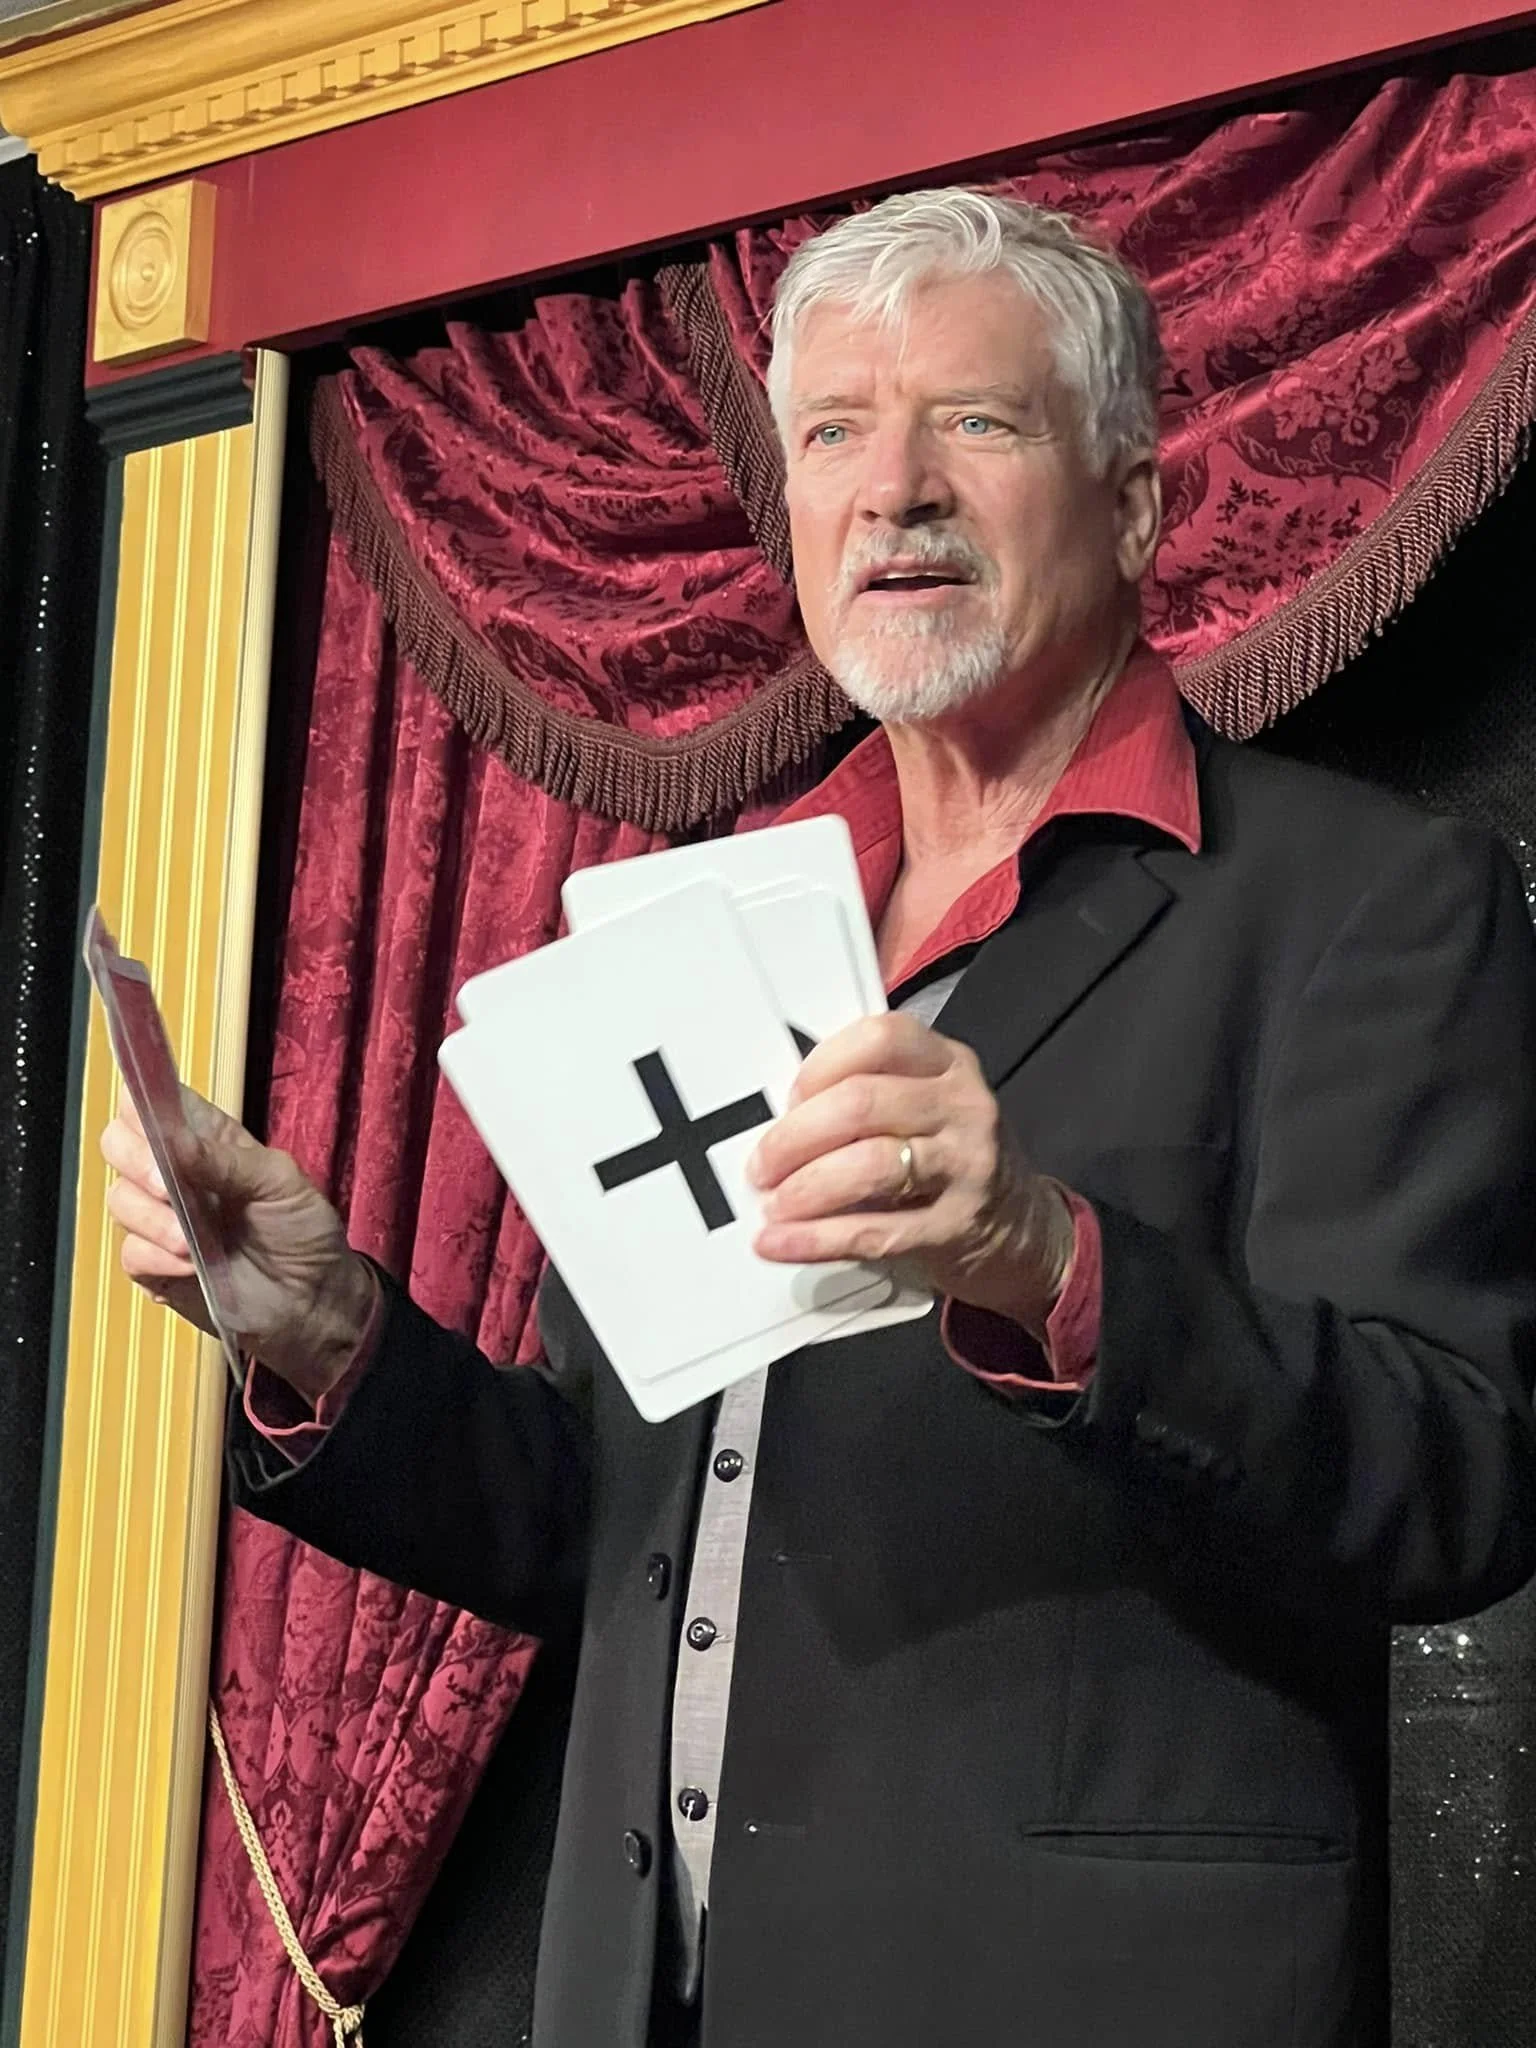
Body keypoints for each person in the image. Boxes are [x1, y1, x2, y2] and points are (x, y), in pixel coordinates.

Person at [102, 190, 1536, 2048]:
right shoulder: (697, 929)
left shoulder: (1366, 903)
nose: (893, 490)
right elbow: (601, 1523)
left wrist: (1053, 1264)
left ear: (1133, 504)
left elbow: (1462, 1479)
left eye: (976, 421)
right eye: (836, 435)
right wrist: (326, 1337)